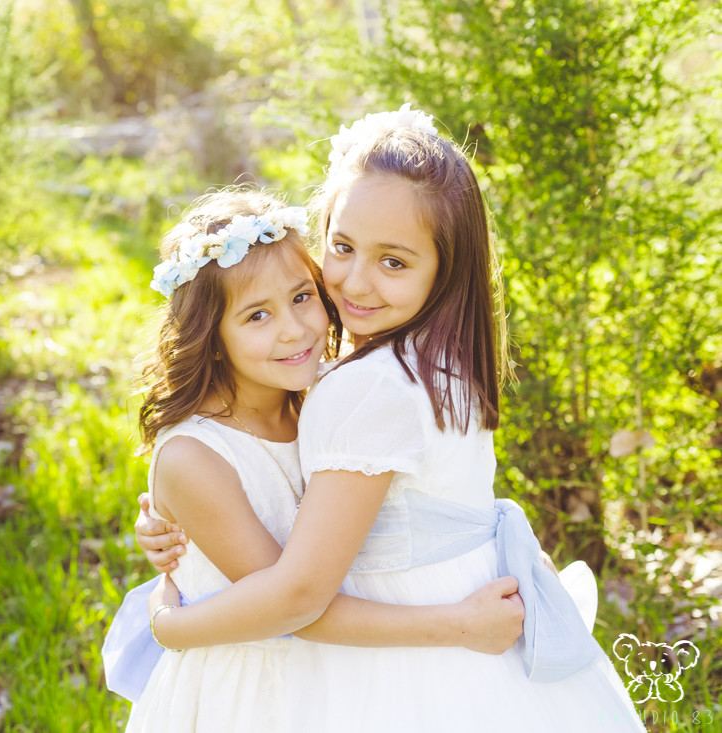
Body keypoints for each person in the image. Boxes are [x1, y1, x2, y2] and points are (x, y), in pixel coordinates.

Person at [143, 108, 645, 732]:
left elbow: (299, 590)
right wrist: (175, 528)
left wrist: (169, 625)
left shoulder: (358, 387)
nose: (354, 282)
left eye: (394, 262)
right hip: (319, 656)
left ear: (445, 266)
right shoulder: (426, 361)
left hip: (404, 645)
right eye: (343, 248)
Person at [109, 187, 528, 732]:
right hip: (246, 694)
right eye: (257, 315)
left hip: (332, 674)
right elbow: (293, 604)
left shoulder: (318, 396)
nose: (295, 329)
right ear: (210, 337)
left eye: (302, 296)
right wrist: (457, 624)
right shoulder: (196, 456)